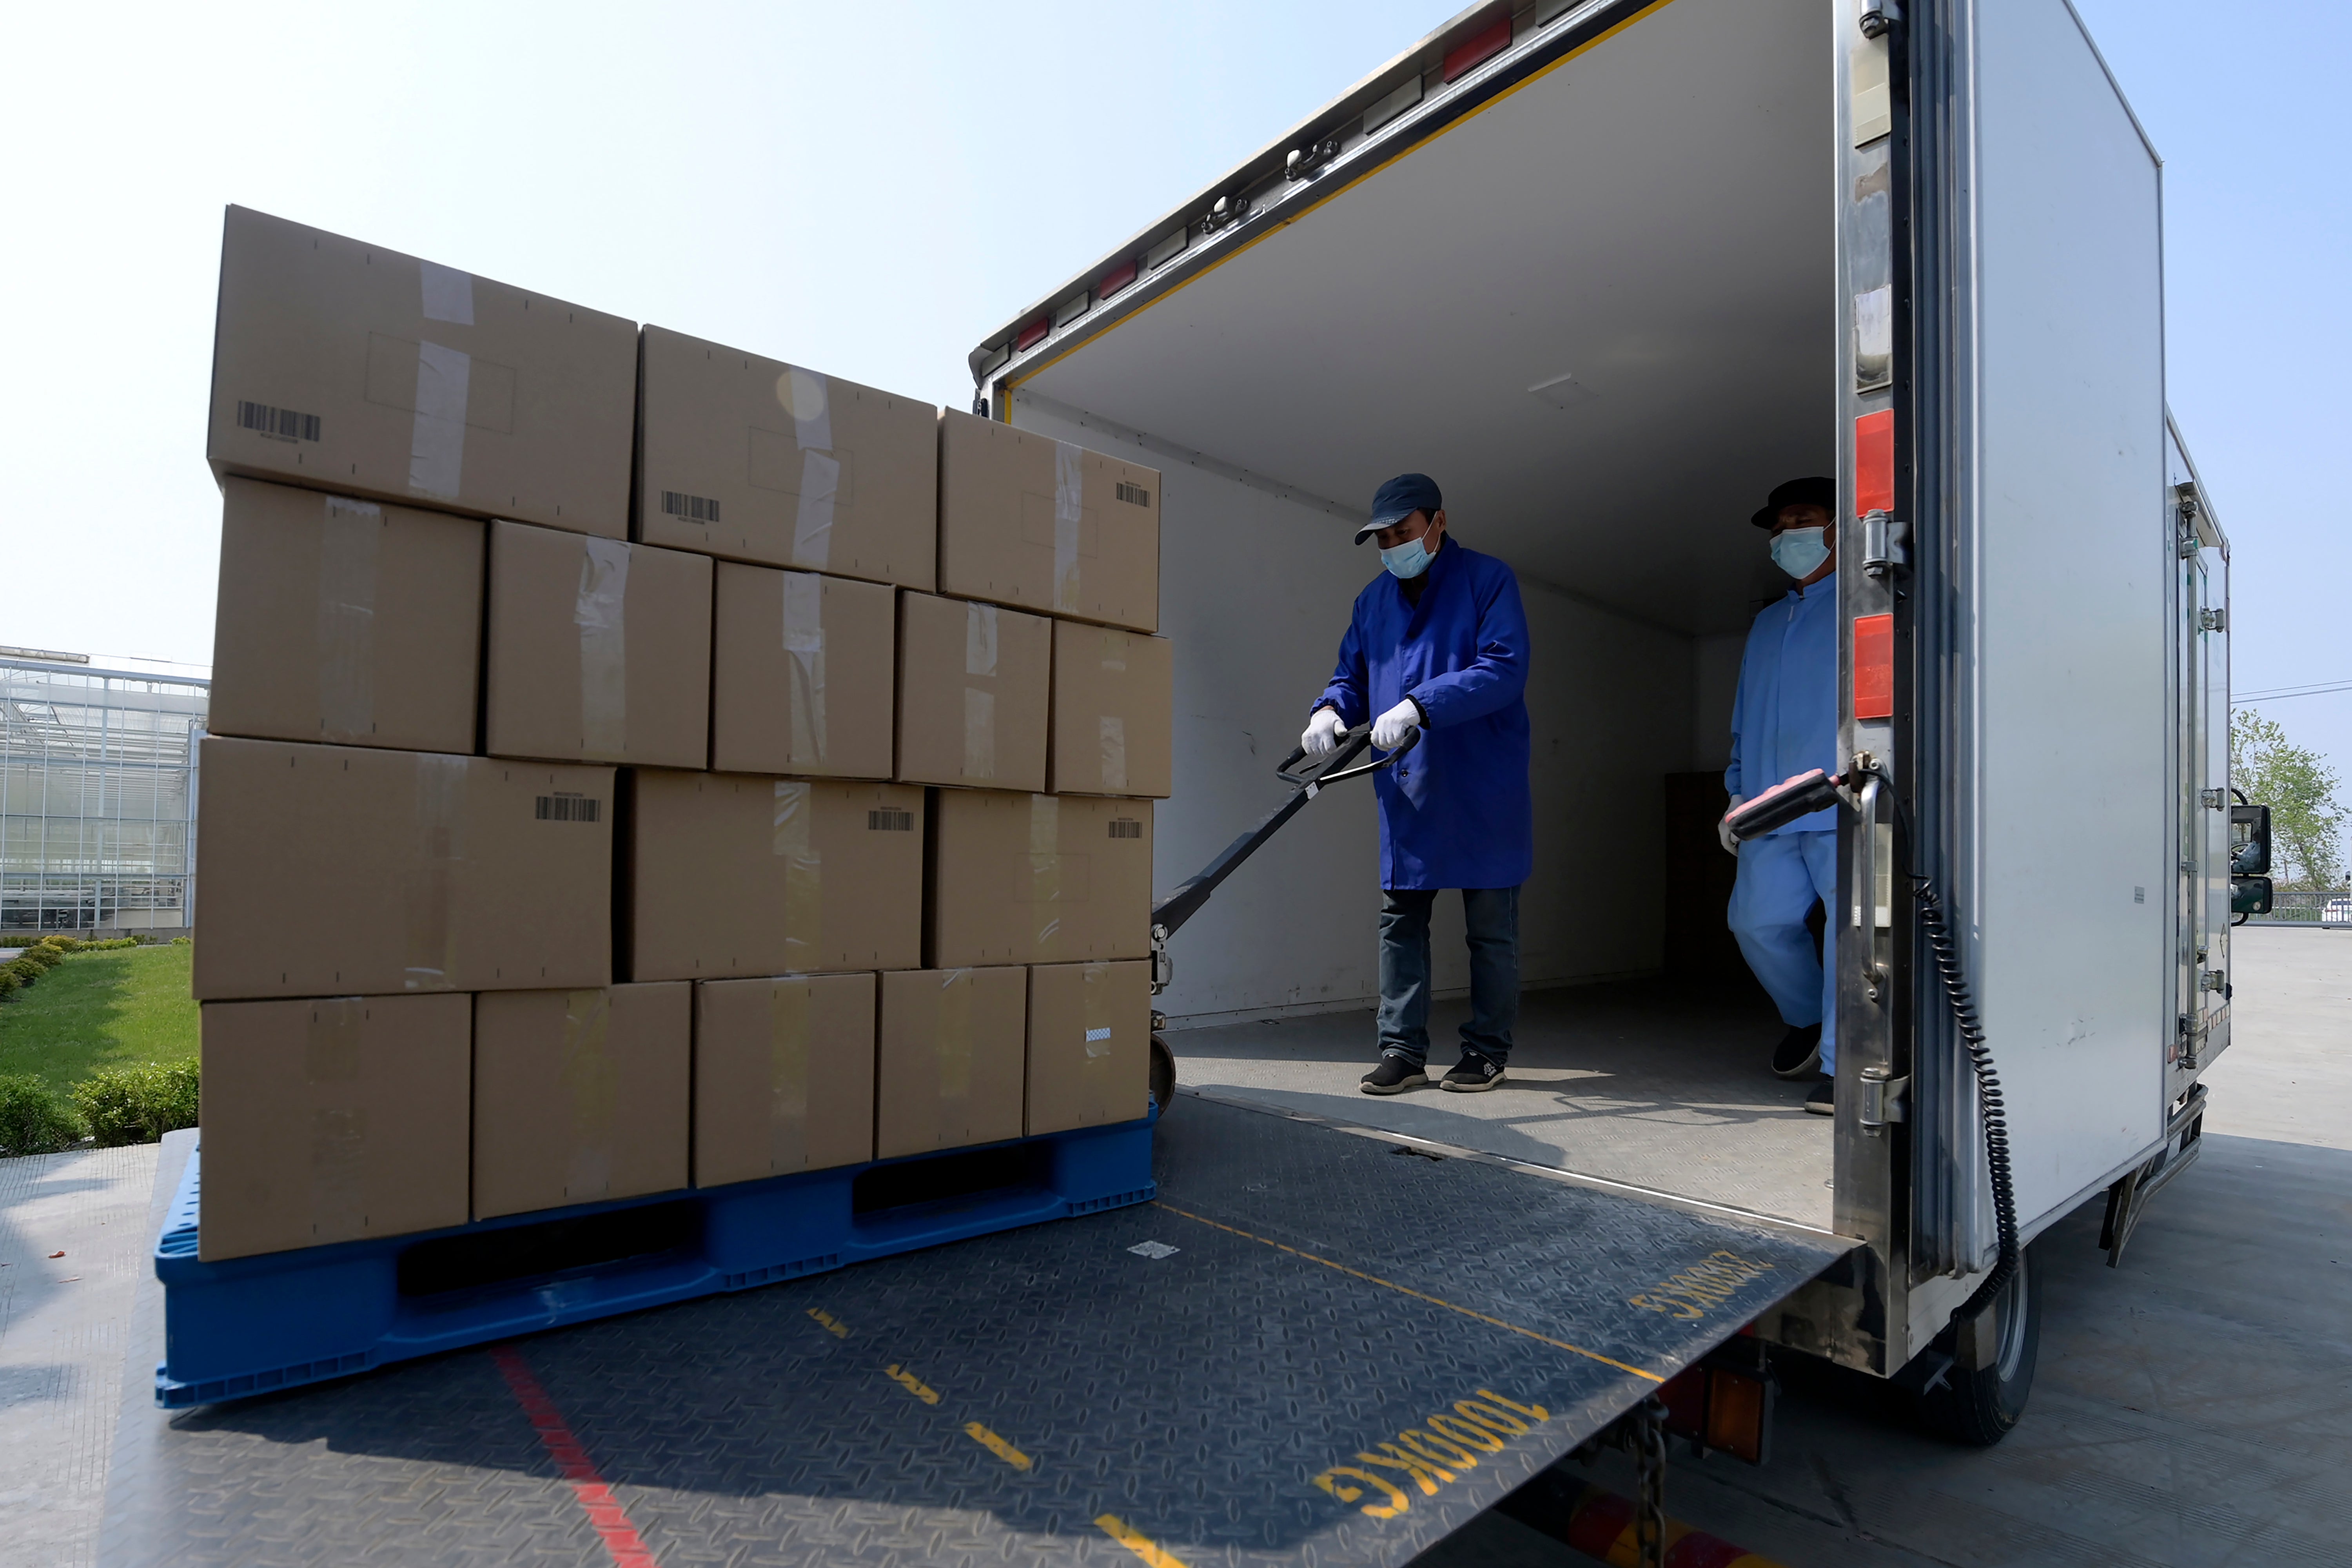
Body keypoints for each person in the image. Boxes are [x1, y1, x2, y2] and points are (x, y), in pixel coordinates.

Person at [1300, 473, 1532, 1096]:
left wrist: (1420, 705)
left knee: (1490, 929)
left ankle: (1486, 1051)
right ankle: (1402, 1051)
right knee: (1400, 922)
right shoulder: (1372, 602)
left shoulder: (1488, 580)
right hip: (1409, 785)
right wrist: (1329, 709)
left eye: (1402, 533)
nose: (1392, 547)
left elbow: (1505, 669)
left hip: (1482, 782)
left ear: (1437, 523)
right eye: (1382, 538)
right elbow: (1351, 675)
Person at [1720, 476, 1842, 1115]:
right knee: (1755, 922)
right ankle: (1809, 1017)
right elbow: (1745, 716)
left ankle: (1844, 1063)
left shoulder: (1865, 606)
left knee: (1852, 935)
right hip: (1768, 807)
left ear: (1836, 526)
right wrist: (1735, 795)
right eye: (1778, 526)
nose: (1784, 532)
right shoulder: (1767, 623)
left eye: (1800, 517)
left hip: (1838, 802)